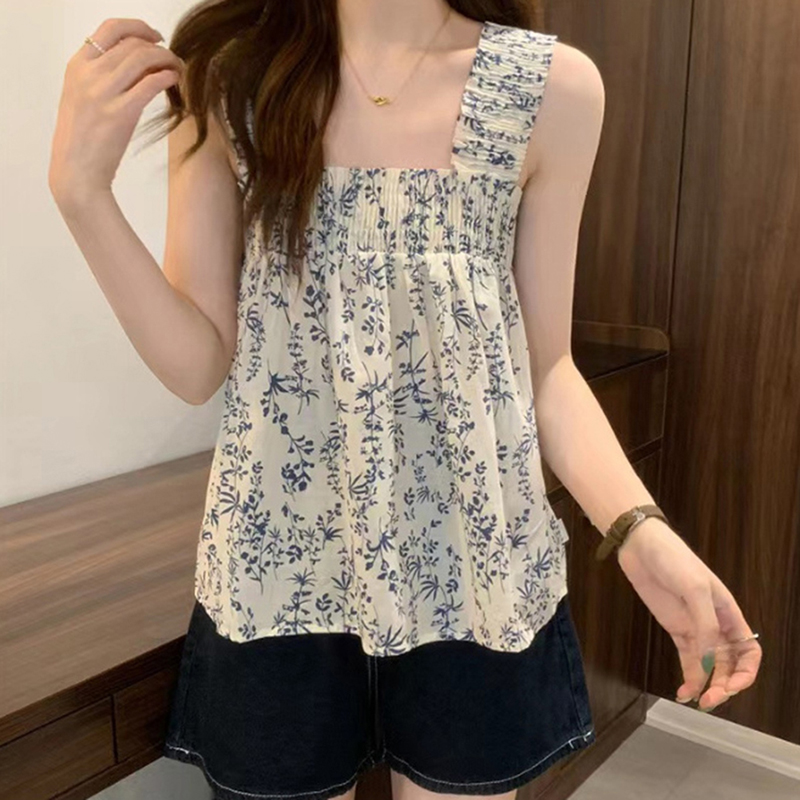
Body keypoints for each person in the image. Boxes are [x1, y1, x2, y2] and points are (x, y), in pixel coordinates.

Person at [49, 1, 762, 798]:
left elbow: (544, 369)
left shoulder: (549, 89)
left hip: (471, 562)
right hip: (281, 564)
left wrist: (639, 530)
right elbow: (197, 364)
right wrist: (82, 194)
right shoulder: (233, 79)